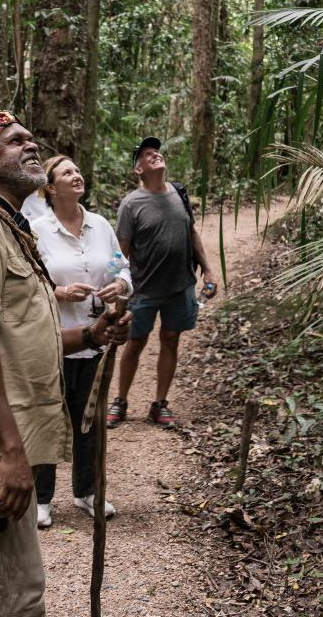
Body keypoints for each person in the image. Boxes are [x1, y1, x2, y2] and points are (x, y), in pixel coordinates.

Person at [0, 112, 131, 616]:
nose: (30, 145)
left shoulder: (9, 227)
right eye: (13, 142)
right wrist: (12, 455)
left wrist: (89, 333)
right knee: (18, 598)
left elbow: (17, 336)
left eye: (32, 139)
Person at [29, 155, 129, 528]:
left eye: (77, 170)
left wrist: (119, 284)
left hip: (96, 340)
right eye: (66, 172)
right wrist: (59, 291)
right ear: (51, 188)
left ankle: (87, 492)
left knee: (91, 420)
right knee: (48, 417)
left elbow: (121, 266)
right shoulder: (36, 230)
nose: (76, 175)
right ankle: (41, 498)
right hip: (53, 340)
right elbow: (26, 282)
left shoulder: (100, 224)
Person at [107, 137, 216, 429]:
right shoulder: (131, 204)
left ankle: (160, 404)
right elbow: (121, 252)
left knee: (171, 339)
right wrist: (119, 287)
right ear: (138, 169)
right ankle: (120, 400)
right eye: (145, 154)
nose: (154, 154)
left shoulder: (179, 193)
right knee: (134, 344)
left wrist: (207, 270)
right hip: (143, 290)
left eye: (155, 151)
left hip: (180, 287)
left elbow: (191, 233)